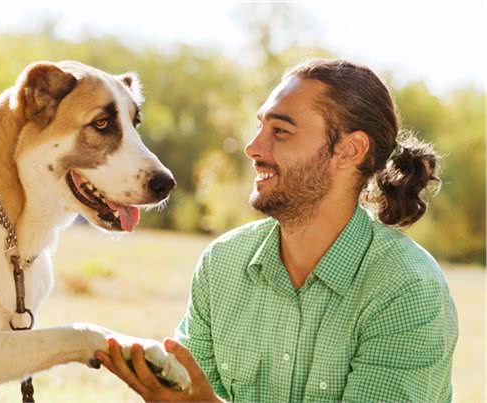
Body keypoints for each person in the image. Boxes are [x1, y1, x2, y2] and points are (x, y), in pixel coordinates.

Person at [95, 59, 458, 402]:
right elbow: (187, 389)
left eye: (281, 131)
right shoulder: (223, 265)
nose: (253, 148)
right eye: (260, 127)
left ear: (349, 150)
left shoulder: (407, 290)